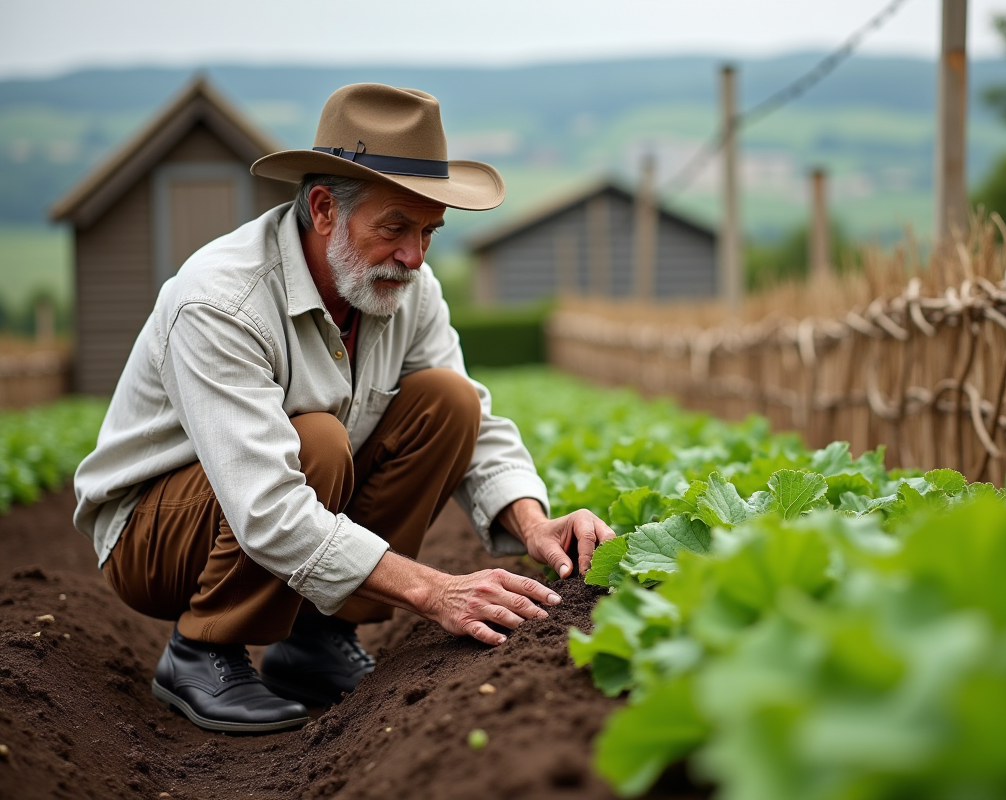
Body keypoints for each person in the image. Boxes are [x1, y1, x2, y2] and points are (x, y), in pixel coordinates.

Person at [72, 83, 615, 734]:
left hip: (271, 502)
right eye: (395, 228)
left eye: (428, 232)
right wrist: (433, 590)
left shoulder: (404, 284)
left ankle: (318, 640)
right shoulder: (221, 301)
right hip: (153, 536)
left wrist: (531, 522)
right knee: (318, 444)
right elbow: (268, 503)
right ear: (324, 208)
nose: (413, 256)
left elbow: (477, 420)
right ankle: (203, 651)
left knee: (450, 402)